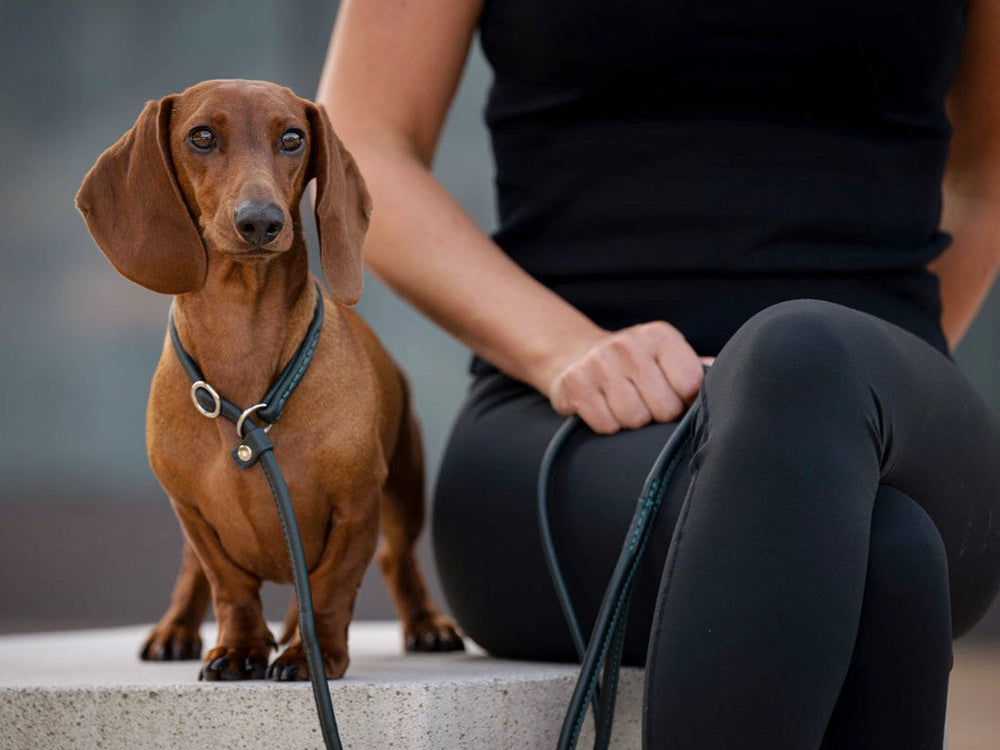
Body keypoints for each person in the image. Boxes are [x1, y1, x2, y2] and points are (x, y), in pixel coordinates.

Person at [317, 1, 1000, 747]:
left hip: (896, 433)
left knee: (801, 364)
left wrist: (862, 390)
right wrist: (560, 348)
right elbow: (365, 140)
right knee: (886, 555)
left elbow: (986, 177)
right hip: (569, 430)